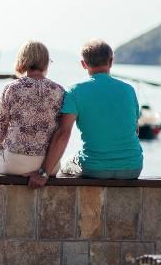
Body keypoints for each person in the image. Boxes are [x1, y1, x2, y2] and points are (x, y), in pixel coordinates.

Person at [28, 39, 142, 188]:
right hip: (133, 168)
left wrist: (43, 173)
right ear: (111, 61)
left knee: (64, 167)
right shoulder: (129, 90)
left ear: (83, 64)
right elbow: (135, 130)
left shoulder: (75, 92)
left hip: (94, 168)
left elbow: (63, 134)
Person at [0, 41, 65, 175]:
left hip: (14, 163)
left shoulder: (11, 88)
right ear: (46, 62)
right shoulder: (59, 91)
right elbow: (61, 131)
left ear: (22, 60)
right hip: (48, 166)